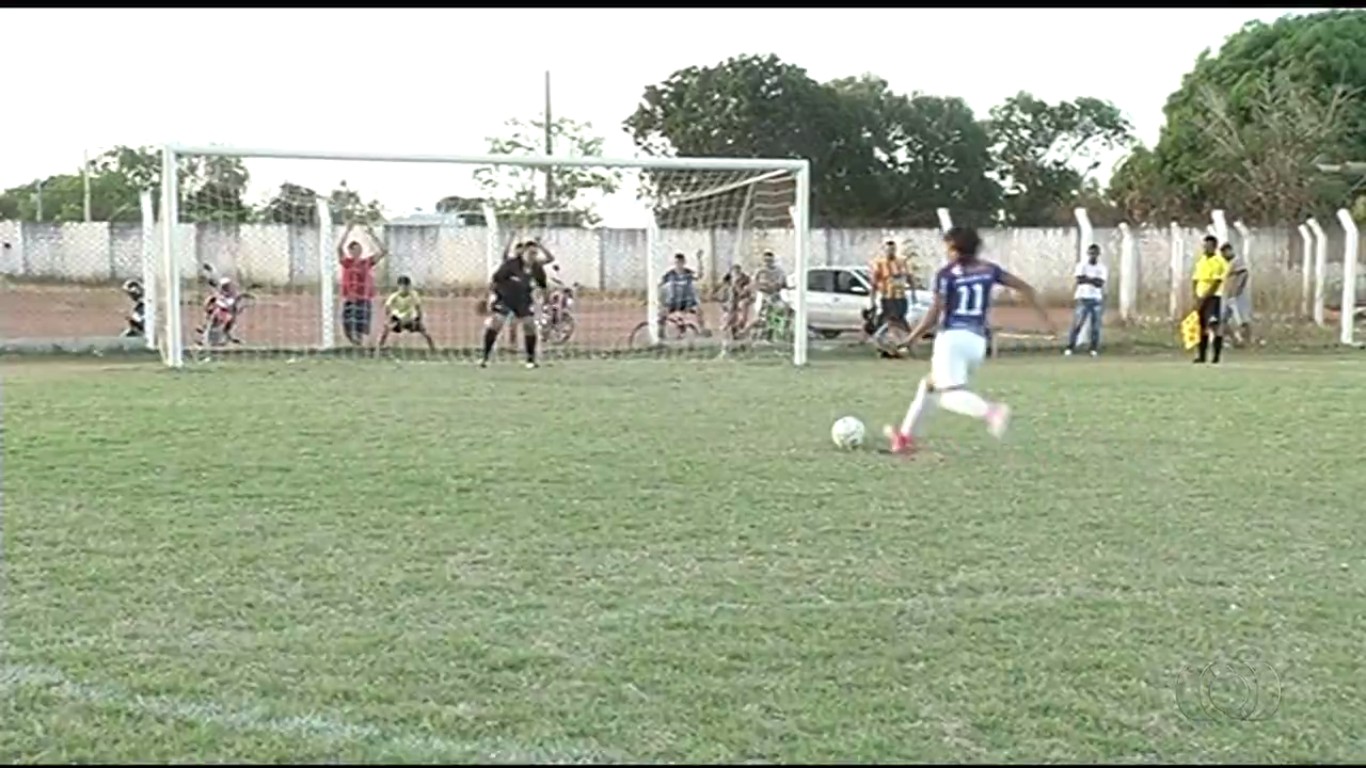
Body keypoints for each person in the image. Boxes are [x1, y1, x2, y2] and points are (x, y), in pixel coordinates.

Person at [883, 227, 1055, 456]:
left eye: (948, 248)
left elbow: (935, 312)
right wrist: (1046, 320)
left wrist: (910, 338)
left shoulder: (947, 275)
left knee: (947, 395)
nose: (946, 253)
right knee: (929, 385)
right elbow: (1026, 288)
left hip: (952, 338)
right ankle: (904, 438)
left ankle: (991, 412)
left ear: (955, 249)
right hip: (977, 342)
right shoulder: (989, 270)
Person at [480, 241, 548, 368]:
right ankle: (485, 357)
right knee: (496, 324)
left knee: (530, 325)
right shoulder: (511, 265)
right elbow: (495, 280)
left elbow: (543, 285)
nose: (532, 256)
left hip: (523, 301)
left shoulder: (537, 268)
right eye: (530, 253)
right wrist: (488, 297)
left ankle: (530, 360)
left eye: (535, 253)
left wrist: (544, 299)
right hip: (505, 299)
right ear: (523, 252)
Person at [338, 223, 386, 346]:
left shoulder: (366, 262)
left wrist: (372, 235)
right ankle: (354, 343)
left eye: (359, 249)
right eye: (354, 250)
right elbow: (339, 249)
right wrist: (347, 231)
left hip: (363, 298)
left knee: (360, 327)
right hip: (350, 297)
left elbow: (383, 251)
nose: (357, 252)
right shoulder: (347, 262)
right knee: (347, 326)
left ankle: (358, 345)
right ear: (350, 251)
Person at [870, 239, 913, 358]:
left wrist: (913, 294)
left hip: (901, 297)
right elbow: (874, 283)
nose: (891, 252)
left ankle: (902, 344)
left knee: (900, 320)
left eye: (893, 249)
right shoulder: (880, 263)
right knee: (891, 321)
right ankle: (892, 345)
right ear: (884, 250)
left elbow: (909, 277)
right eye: (888, 250)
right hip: (888, 298)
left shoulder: (902, 262)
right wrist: (872, 300)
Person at [1063, 244, 1107, 357]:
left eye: (1095, 253)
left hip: (1096, 299)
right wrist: (1092, 280)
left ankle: (1093, 348)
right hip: (1083, 298)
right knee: (1077, 324)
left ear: (1098, 254)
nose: (1093, 256)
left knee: (1095, 326)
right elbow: (1079, 279)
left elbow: (1100, 283)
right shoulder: (1082, 265)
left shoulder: (1102, 268)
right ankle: (1070, 346)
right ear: (1088, 254)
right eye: (1091, 253)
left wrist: (1087, 279)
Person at [1190, 235, 1228, 364]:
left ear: (1214, 247)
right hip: (1200, 296)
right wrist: (1196, 296)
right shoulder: (1201, 260)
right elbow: (1195, 279)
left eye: (1209, 246)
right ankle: (1201, 355)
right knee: (1201, 326)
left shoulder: (1218, 261)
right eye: (1204, 246)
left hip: (1213, 297)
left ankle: (1216, 355)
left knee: (1213, 325)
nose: (1206, 248)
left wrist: (1206, 296)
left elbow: (1216, 282)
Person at [377, 276, 436, 352]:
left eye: (407, 286)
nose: (405, 288)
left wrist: (419, 319)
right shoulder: (394, 296)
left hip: (410, 320)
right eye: (402, 286)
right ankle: (379, 348)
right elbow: (387, 307)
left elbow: (418, 307)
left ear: (409, 286)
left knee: (425, 332)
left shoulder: (413, 295)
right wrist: (388, 318)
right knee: (386, 329)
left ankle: (433, 349)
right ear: (398, 287)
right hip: (397, 319)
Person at [658, 251, 708, 333]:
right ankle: (661, 332)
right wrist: (661, 299)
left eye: (680, 262)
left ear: (684, 262)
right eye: (677, 262)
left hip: (687, 301)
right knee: (662, 314)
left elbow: (699, 275)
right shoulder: (670, 274)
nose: (679, 264)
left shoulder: (688, 273)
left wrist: (699, 260)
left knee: (699, 310)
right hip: (673, 301)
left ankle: (702, 329)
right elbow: (660, 284)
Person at [1219, 242, 1252, 345]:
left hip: (1237, 296)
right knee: (1222, 319)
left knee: (1241, 319)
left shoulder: (1237, 261)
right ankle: (1232, 339)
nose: (1223, 256)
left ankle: (1245, 340)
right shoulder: (1227, 263)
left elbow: (1244, 274)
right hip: (1228, 295)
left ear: (1229, 251)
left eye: (1224, 253)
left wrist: (1237, 289)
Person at [719, 263, 754, 338]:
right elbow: (725, 290)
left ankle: (738, 330)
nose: (736, 273)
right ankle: (732, 330)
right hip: (732, 301)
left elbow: (744, 292)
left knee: (741, 317)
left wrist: (737, 286)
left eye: (737, 271)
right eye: (734, 271)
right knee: (732, 316)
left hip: (741, 300)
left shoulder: (745, 279)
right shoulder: (728, 279)